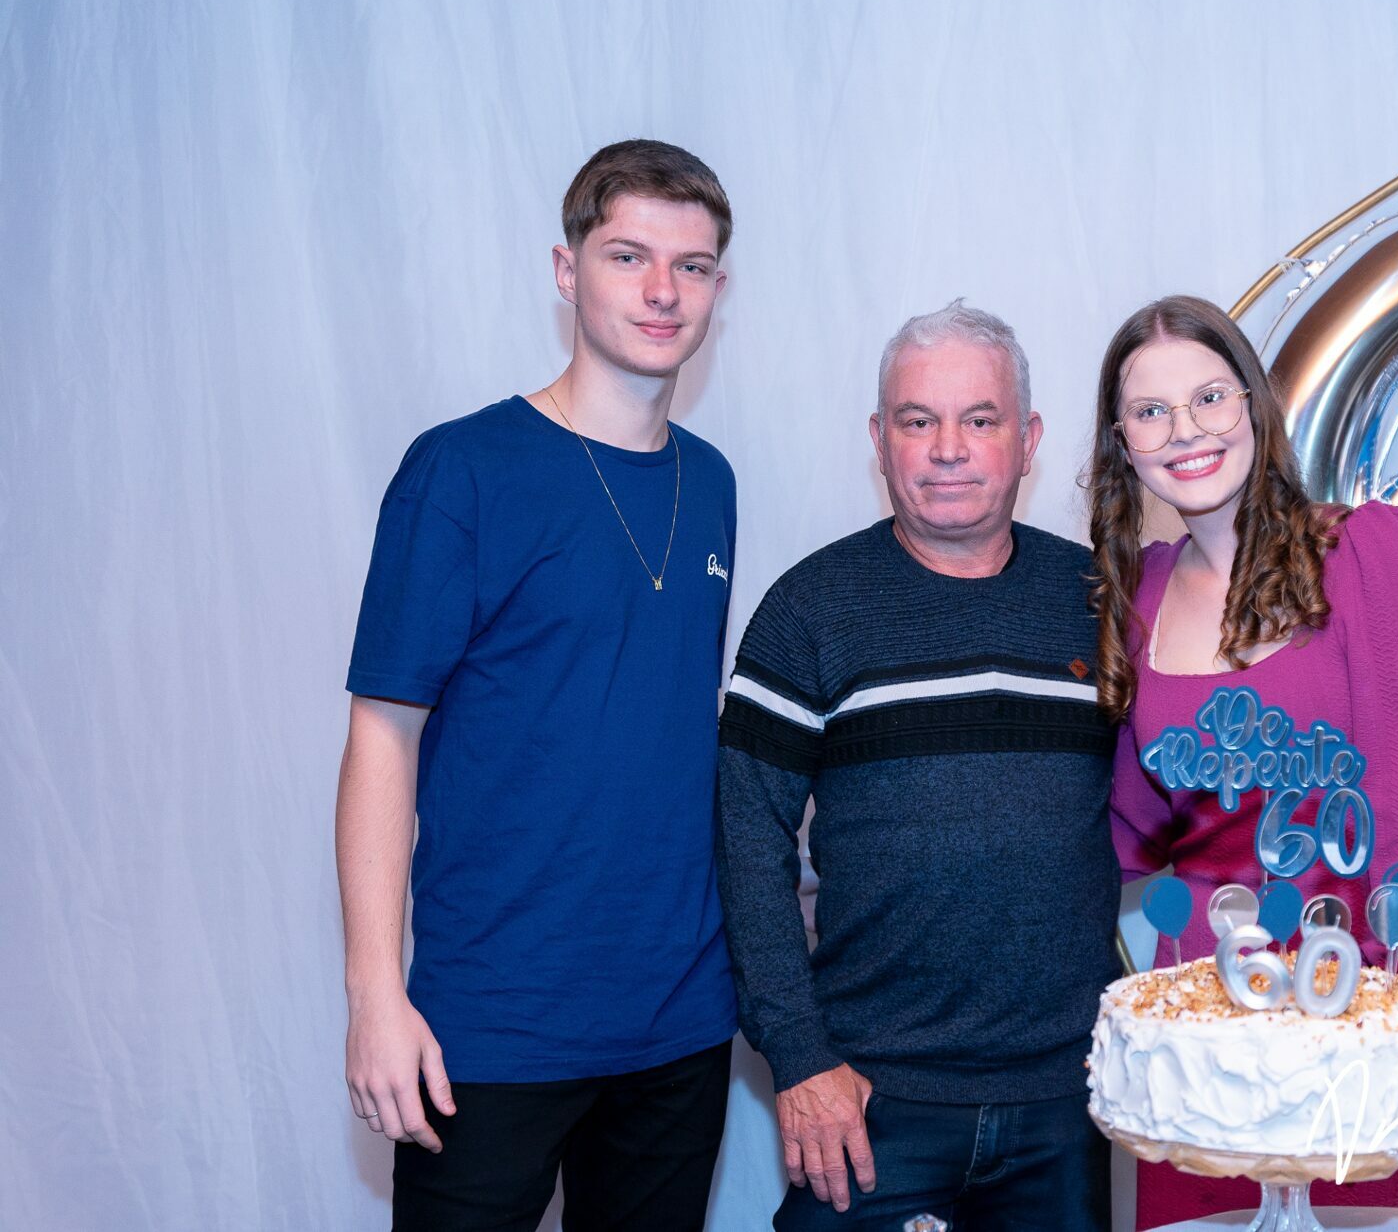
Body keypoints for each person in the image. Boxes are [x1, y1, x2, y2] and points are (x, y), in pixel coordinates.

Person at [336, 139, 738, 1231]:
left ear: (718, 287)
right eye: (628, 256)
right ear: (568, 270)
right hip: (492, 1021)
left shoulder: (710, 481)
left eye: (692, 266)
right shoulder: (461, 469)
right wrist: (375, 993)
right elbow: (381, 737)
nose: (662, 291)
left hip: (678, 1020)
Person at [716, 300, 1118, 1230]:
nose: (947, 449)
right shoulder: (810, 609)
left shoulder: (1097, 601)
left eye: (979, 419)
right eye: (917, 420)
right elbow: (744, 844)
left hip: (1067, 1100)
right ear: (879, 439)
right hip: (866, 1100)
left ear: (1028, 440)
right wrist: (800, 1056)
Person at [1086, 295, 1398, 1228]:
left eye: (1209, 397)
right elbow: (1128, 828)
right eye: (1151, 411)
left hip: (1348, 1028)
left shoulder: (1368, 554)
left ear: (1254, 405)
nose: (1186, 430)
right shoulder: (1137, 595)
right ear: (1123, 445)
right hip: (1199, 1053)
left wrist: (1397, 1019)